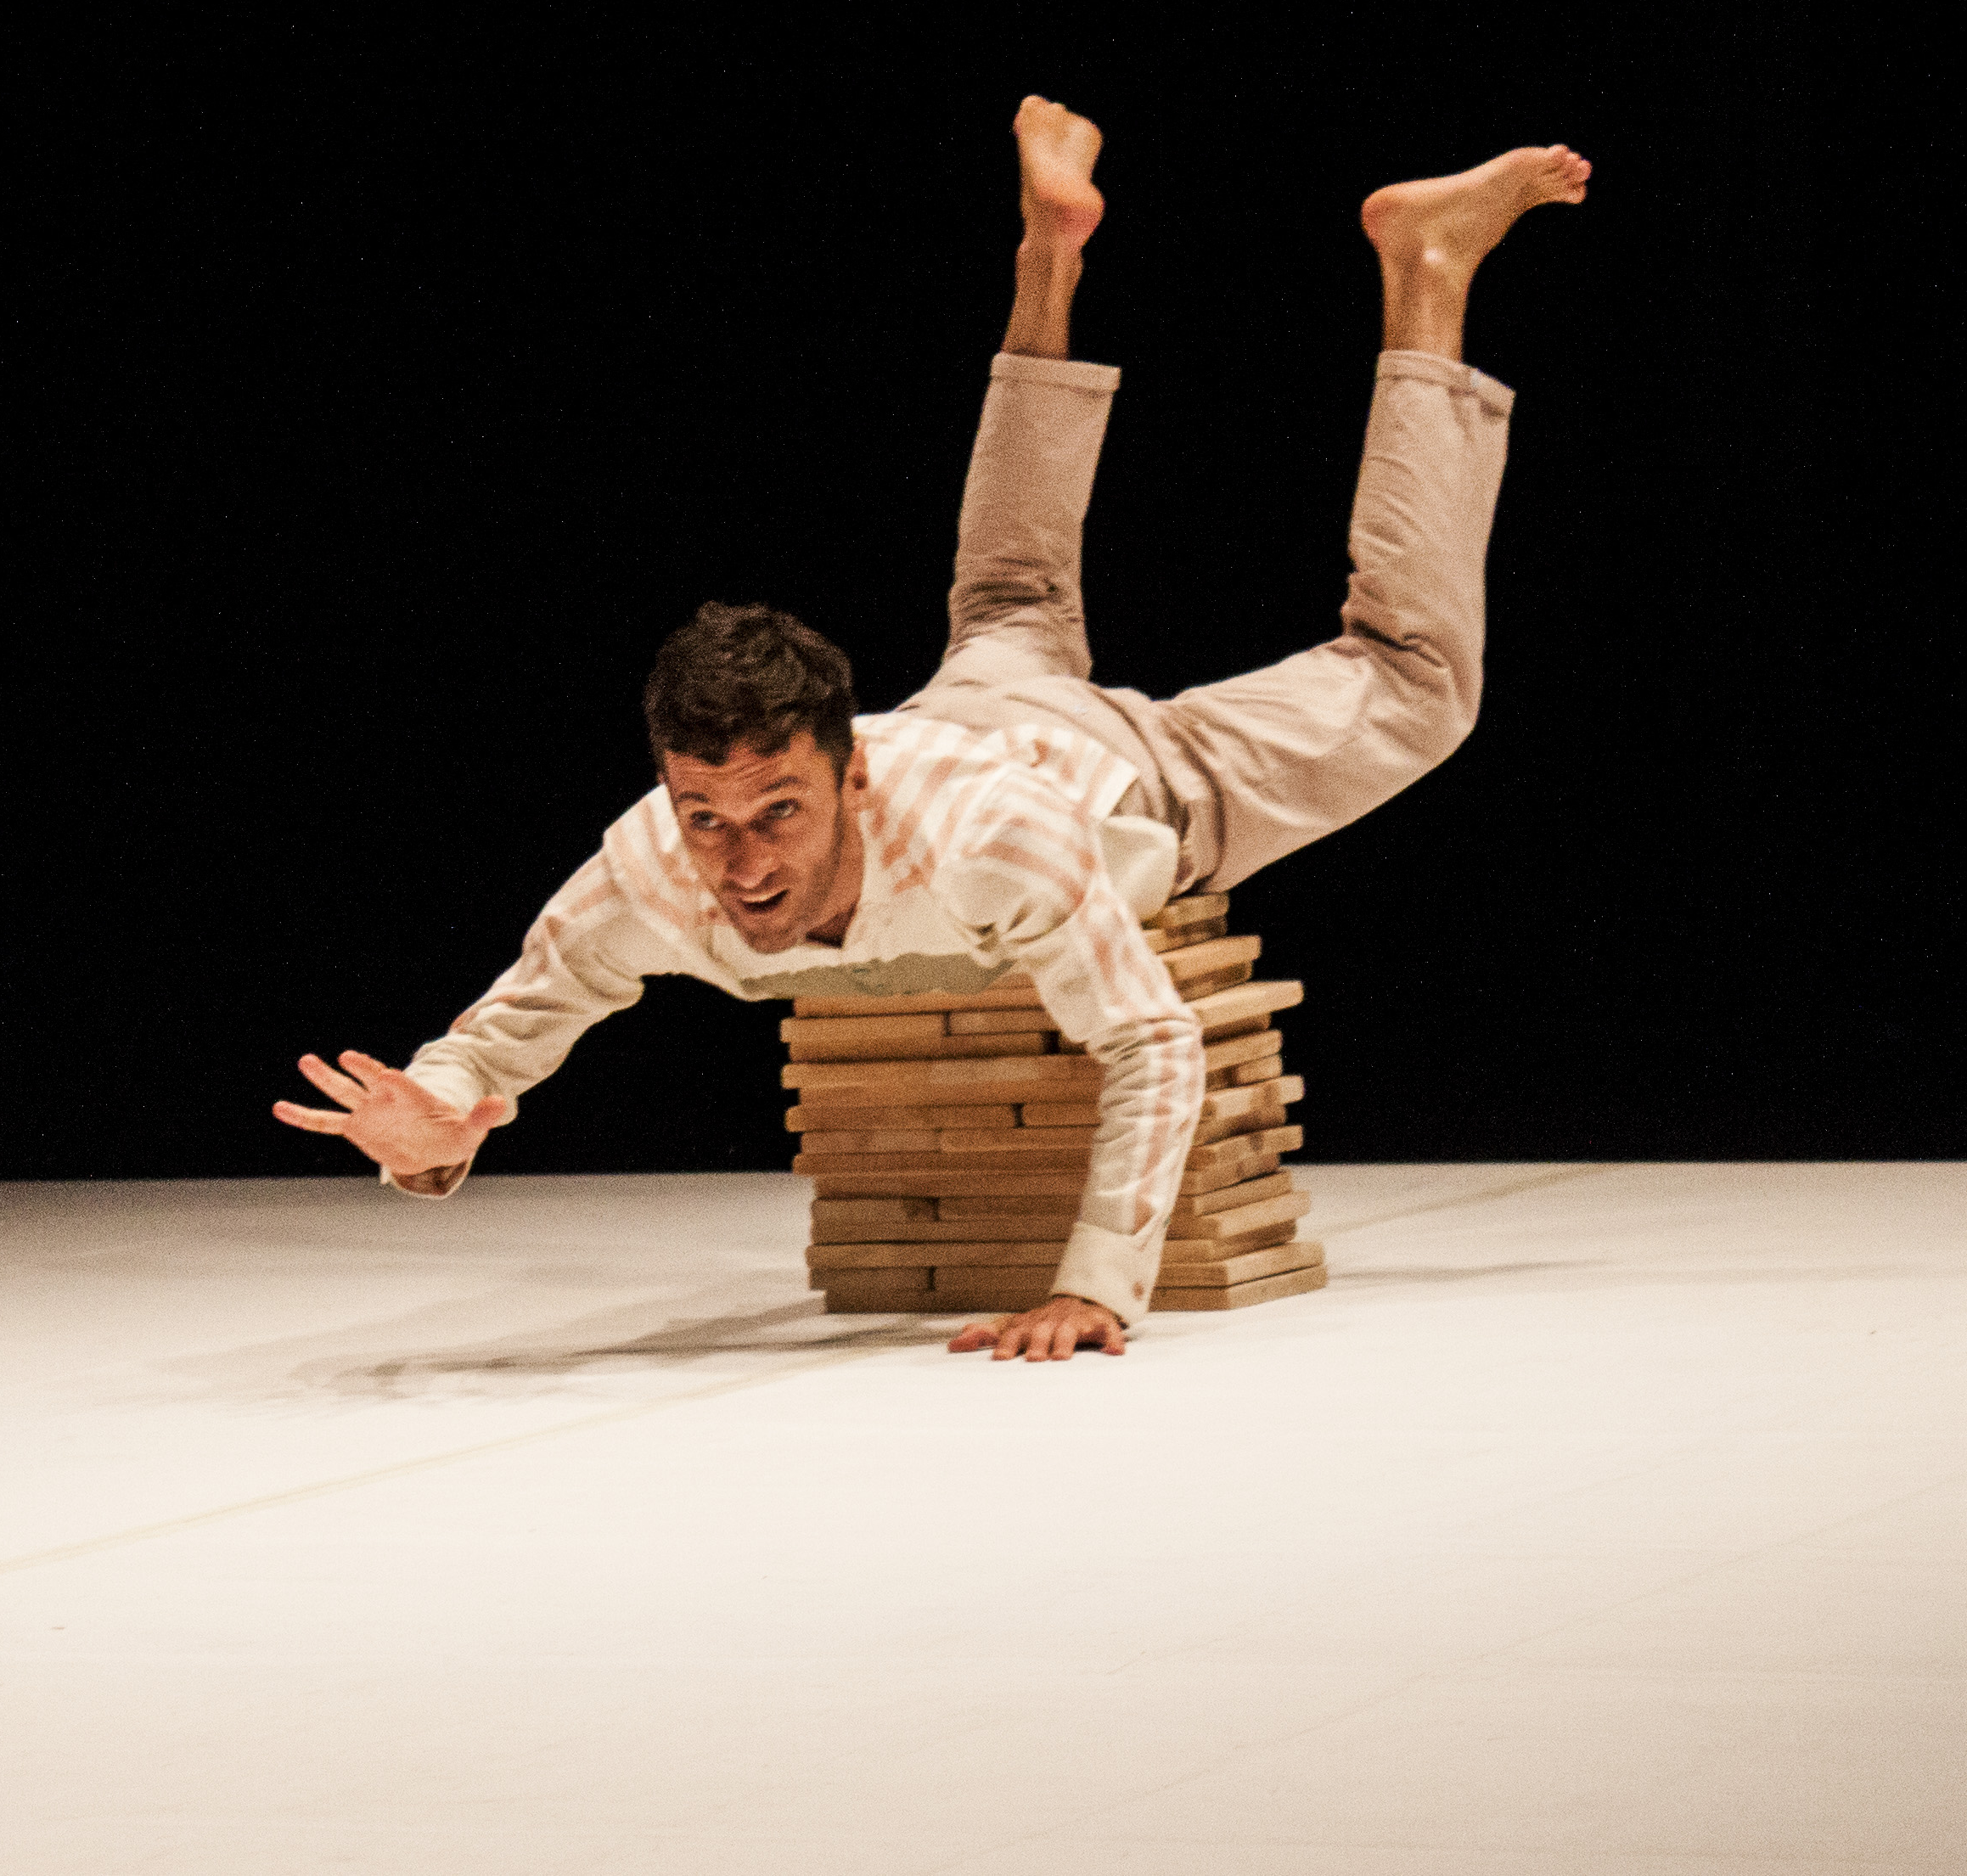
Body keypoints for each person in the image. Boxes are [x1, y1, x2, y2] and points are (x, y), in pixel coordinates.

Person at [274, 97, 1590, 1363]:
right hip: (976, 707)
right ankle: (1048, 252)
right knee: (1007, 601)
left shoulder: (992, 847)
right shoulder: (646, 865)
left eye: (778, 812)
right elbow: (489, 1049)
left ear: (849, 777)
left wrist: (1091, 1285)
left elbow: (1145, 1039)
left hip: (1124, 775)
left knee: (1415, 683)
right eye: (708, 818)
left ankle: (1424, 267)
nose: (739, 866)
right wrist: (429, 1132)